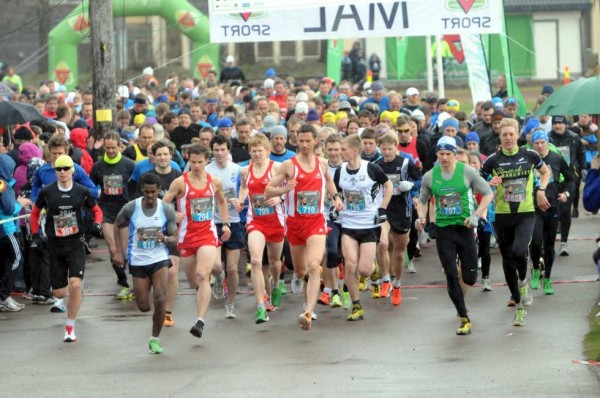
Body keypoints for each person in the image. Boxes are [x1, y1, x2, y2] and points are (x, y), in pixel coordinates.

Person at [265, 124, 343, 330]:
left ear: (316, 140)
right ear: (296, 141)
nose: (305, 145)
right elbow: (267, 191)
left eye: (308, 141)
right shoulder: (289, 166)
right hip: (295, 223)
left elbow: (329, 183)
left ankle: (308, 312)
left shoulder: (323, 164)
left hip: (316, 221)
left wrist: (335, 197)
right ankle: (300, 280)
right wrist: (283, 190)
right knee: (300, 270)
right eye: (301, 141)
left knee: (315, 264)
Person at [416, 137, 493, 335]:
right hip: (444, 229)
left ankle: (464, 297)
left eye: (448, 154)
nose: (445, 158)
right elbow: (423, 200)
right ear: (437, 155)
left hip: (465, 227)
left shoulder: (467, 171)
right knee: (450, 274)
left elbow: (488, 193)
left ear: (454, 154)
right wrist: (421, 218)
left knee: (469, 278)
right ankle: (463, 317)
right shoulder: (430, 176)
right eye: (441, 154)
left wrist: (476, 215)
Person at [481, 119, 551, 326]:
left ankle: (523, 281)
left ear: (518, 134)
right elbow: (478, 181)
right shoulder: (492, 160)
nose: (509, 138)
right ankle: (519, 305)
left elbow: (545, 172)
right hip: (502, 215)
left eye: (512, 134)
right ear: (500, 137)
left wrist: (541, 190)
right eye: (505, 135)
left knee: (519, 250)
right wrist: (488, 183)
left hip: (526, 212)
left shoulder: (530, 155)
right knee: (507, 259)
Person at [29, 155, 103, 342]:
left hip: (75, 243)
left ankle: (70, 327)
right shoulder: (47, 192)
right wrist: (36, 234)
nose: (62, 172)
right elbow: (35, 213)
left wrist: (97, 224)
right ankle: (72, 294)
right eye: (59, 169)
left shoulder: (82, 191)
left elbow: (97, 211)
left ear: (72, 170)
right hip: (55, 244)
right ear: (55, 172)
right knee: (60, 293)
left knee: (75, 285)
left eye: (65, 169)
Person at [162, 144, 231, 339]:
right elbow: (164, 203)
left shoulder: (214, 182)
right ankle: (216, 278)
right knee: (194, 282)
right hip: (186, 237)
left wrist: (225, 224)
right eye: (193, 162)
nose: (197, 165)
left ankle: (200, 320)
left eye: (200, 162)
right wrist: (172, 213)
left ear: (206, 161)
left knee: (202, 275)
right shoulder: (180, 183)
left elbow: (222, 201)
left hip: (207, 234)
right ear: (188, 160)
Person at [113, 172, 178, 354]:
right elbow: (116, 225)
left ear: (159, 190)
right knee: (144, 307)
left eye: (154, 192)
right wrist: (119, 251)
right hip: (138, 260)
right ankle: (145, 292)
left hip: (159, 259)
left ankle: (155, 339)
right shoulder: (130, 208)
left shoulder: (166, 209)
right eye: (147, 192)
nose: (150, 196)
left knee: (160, 298)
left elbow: (175, 239)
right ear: (142, 190)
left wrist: (165, 238)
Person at [334, 134, 392, 321]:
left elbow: (389, 185)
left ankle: (373, 270)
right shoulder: (340, 170)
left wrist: (382, 208)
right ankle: (356, 305)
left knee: (364, 270)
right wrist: (336, 203)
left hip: (368, 224)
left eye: (343, 149)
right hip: (348, 223)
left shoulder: (371, 169)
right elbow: (334, 192)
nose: (340, 153)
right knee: (350, 265)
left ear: (354, 150)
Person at [238, 134, 285, 323]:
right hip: (255, 220)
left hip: (275, 219)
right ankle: (260, 306)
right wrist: (241, 200)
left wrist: (279, 198)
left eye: (260, 150)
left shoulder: (277, 168)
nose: (257, 154)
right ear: (249, 151)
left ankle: (274, 286)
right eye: (253, 151)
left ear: (267, 151)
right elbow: (243, 188)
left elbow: (290, 190)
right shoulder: (244, 171)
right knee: (256, 261)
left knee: (274, 261)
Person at [135, 140, 182, 327]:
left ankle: (167, 312)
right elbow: (137, 203)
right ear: (153, 157)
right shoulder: (146, 177)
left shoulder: (179, 177)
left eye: (166, 154)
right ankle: (157, 303)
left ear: (171, 156)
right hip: (149, 230)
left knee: (171, 272)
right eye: (159, 154)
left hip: (171, 229)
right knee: (152, 273)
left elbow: (186, 201)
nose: (163, 157)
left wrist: (179, 214)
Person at [375, 132, 421, 305]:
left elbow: (420, 180)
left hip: (402, 209)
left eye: (390, 148)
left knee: (400, 252)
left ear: (396, 146)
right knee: (383, 243)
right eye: (383, 149)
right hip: (384, 209)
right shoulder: (375, 165)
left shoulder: (405, 162)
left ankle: (397, 284)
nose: (386, 152)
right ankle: (386, 279)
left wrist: (410, 185)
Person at [529, 130, 576, 295]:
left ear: (547, 143)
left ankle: (547, 278)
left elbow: (571, 178)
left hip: (552, 208)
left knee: (549, 245)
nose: (540, 146)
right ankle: (535, 269)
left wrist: (566, 194)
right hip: (533, 207)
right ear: (532, 145)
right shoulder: (529, 159)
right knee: (535, 242)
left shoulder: (556, 159)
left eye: (542, 142)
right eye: (536, 143)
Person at [90, 132, 136, 299]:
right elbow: (90, 186)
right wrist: (93, 203)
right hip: (106, 210)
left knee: (126, 250)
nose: (110, 151)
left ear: (120, 146)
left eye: (113, 147)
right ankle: (123, 282)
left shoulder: (129, 165)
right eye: (107, 148)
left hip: (126, 210)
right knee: (113, 249)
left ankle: (137, 279)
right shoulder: (98, 166)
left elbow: (136, 185)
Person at [205, 135, 243, 319]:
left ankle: (230, 303)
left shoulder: (238, 170)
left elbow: (247, 191)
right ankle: (218, 279)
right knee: (215, 267)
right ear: (212, 150)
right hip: (212, 222)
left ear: (229, 150)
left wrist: (241, 201)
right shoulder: (206, 171)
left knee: (233, 269)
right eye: (216, 150)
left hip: (233, 223)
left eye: (223, 150)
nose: (220, 153)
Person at [0, 154, 30, 312]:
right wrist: (20, 203)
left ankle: (4, 296)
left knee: (5, 262)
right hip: (6, 229)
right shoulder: (3, 185)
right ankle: (4, 295)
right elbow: (9, 209)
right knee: (15, 259)